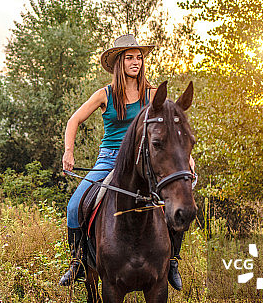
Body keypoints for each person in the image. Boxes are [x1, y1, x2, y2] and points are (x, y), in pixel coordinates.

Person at [59, 34, 192, 290]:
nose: (136, 62)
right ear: (120, 62)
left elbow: (173, 131)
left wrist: (187, 160)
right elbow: (73, 121)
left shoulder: (153, 94)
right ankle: (77, 262)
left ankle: (172, 261)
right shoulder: (104, 95)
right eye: (130, 57)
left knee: (175, 202)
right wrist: (68, 151)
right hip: (109, 160)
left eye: (139, 57)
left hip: (144, 162)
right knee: (75, 205)